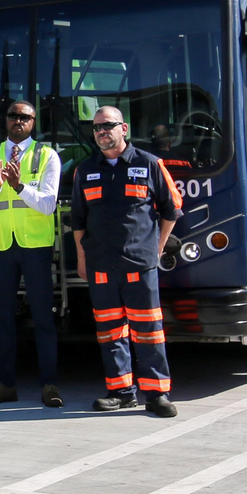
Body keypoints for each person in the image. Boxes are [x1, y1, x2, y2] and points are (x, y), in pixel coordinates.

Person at [67, 105, 183, 418]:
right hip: (100, 265)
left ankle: (157, 394)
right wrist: (82, 259)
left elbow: (172, 209)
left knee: (148, 330)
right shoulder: (85, 170)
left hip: (138, 264)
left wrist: (157, 248)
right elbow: (78, 220)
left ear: (124, 128)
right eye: (97, 128)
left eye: (108, 125)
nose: (102, 132)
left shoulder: (150, 164)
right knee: (109, 332)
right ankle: (120, 391)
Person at [0, 99, 63, 407]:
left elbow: (48, 204)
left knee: (43, 318)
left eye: (25, 117)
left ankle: (49, 384)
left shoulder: (47, 155)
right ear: (5, 120)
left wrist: (20, 187)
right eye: (13, 116)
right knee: (3, 319)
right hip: (1, 246)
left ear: (33, 122)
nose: (18, 121)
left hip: (35, 246)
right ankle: (5, 384)